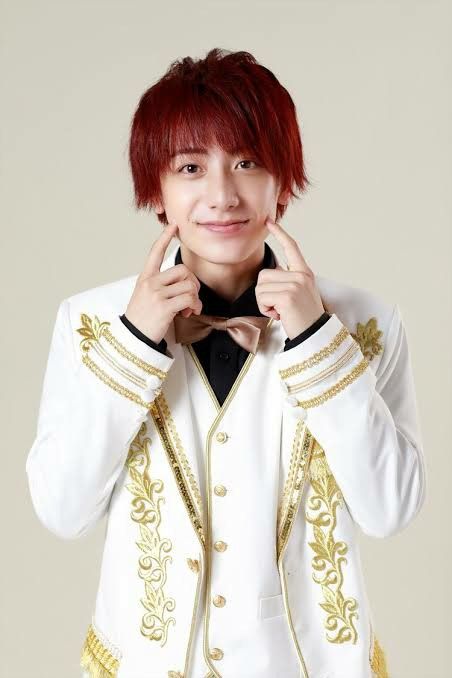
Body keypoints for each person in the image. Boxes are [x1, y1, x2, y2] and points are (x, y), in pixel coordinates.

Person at [26, 48, 426, 678]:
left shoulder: (365, 322)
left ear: (283, 183)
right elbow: (62, 511)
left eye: (247, 162)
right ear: (157, 191)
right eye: (190, 167)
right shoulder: (90, 323)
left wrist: (316, 339)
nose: (221, 195)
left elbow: (390, 510)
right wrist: (134, 343)